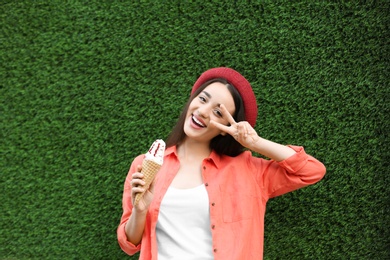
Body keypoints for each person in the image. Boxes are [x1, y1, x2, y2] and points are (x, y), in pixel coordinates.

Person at [117, 67, 326, 259]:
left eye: (218, 112)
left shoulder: (249, 171)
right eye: (202, 99)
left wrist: (255, 143)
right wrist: (140, 210)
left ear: (225, 126)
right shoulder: (144, 164)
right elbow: (128, 244)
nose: (203, 112)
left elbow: (311, 171)